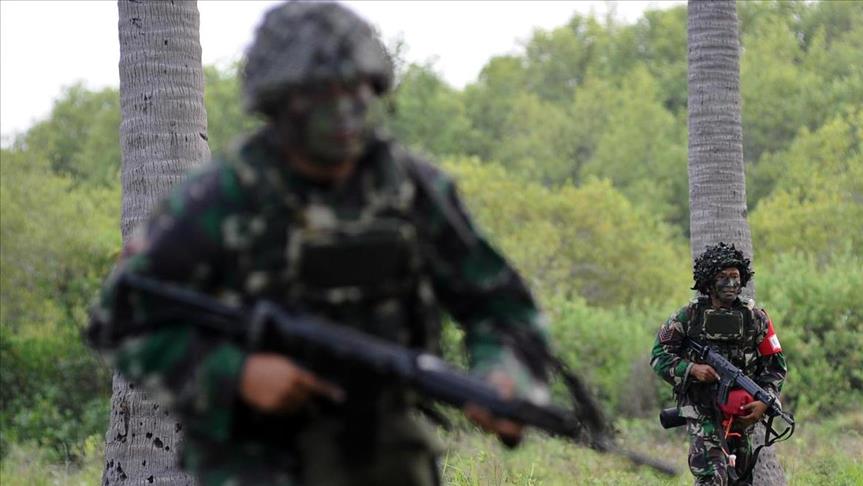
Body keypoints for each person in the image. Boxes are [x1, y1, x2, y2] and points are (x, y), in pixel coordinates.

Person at [88, 2, 550, 485]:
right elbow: (120, 320)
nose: (345, 110)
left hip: (386, 454)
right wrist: (236, 373)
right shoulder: (224, 197)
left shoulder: (411, 190)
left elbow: (501, 305)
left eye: (357, 88)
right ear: (280, 102)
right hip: (254, 463)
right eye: (323, 93)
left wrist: (505, 374)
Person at [650, 242, 787, 486]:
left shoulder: (756, 319)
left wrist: (764, 402)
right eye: (723, 277)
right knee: (712, 476)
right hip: (702, 409)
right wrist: (692, 369)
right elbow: (660, 356)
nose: (731, 283)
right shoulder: (688, 317)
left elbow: (775, 367)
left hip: (740, 413)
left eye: (735, 277)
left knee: (740, 479)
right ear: (708, 283)